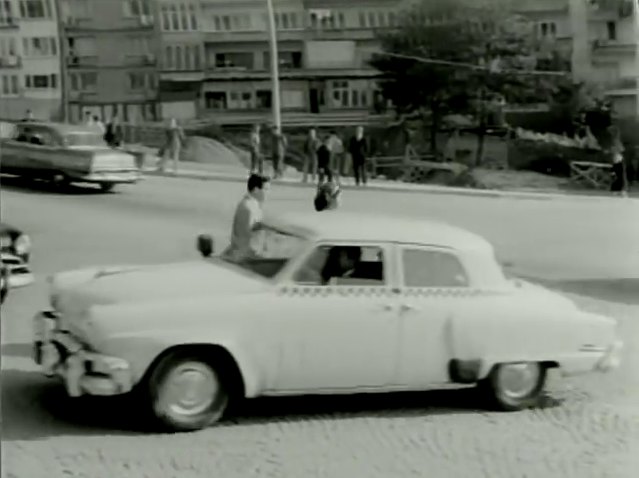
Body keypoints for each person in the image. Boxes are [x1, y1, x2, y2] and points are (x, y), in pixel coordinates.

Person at [223, 174, 270, 263]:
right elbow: (243, 237)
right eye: (266, 189)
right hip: (245, 259)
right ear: (256, 190)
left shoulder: (253, 205)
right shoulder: (247, 207)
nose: (268, 192)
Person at [608, 125, 628, 197]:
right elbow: (621, 149)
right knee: (617, 175)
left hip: (617, 159)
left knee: (618, 175)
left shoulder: (615, 141)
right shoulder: (613, 141)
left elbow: (620, 150)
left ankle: (620, 190)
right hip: (616, 160)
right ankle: (619, 190)